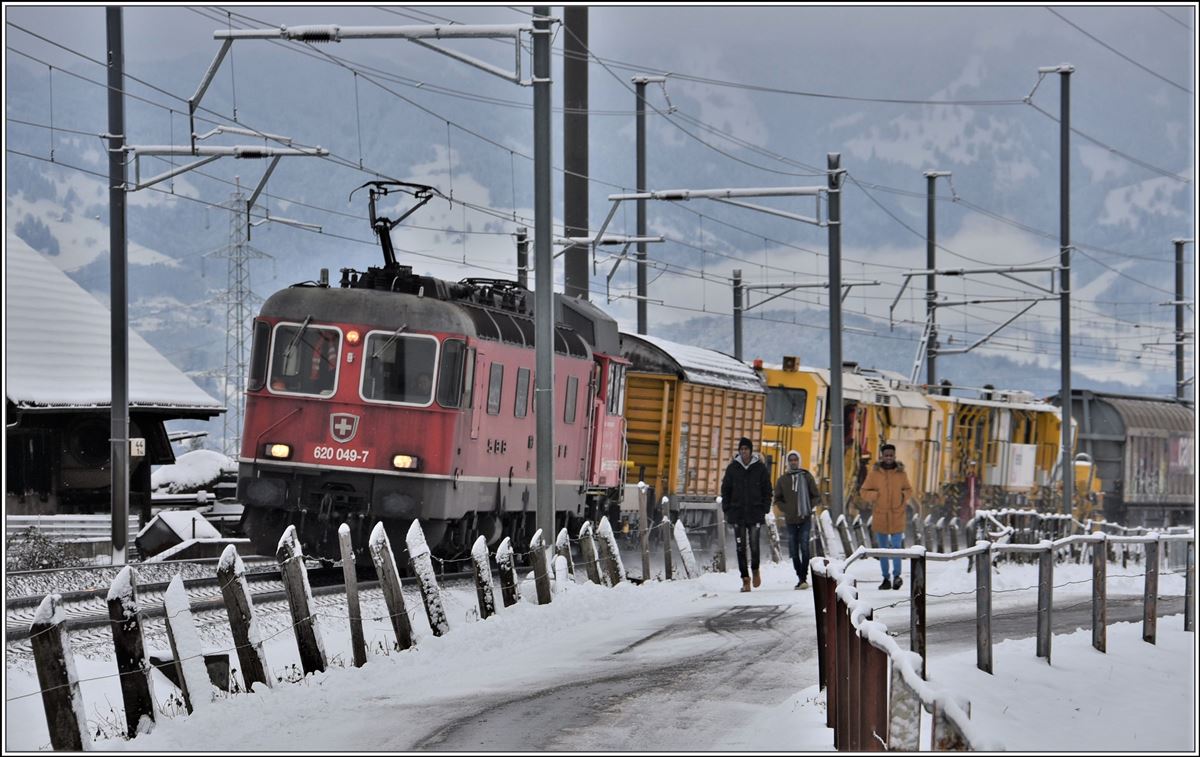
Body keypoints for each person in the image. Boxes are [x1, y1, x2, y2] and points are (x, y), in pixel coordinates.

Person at [720, 436, 772, 592]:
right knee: (740, 547)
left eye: (746, 449)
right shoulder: (732, 469)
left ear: (751, 451)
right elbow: (726, 490)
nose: (744, 452)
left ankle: (755, 569)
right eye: (741, 449)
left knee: (754, 545)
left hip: (755, 512)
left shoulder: (760, 468)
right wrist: (727, 508)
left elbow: (767, 490)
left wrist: (765, 508)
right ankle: (745, 579)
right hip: (737, 513)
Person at [859, 442, 914, 591]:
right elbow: (863, 492)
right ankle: (885, 578)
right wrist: (875, 496)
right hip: (880, 516)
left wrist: (902, 496)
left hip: (897, 515)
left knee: (896, 548)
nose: (889, 458)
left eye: (891, 455)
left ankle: (897, 577)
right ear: (882, 456)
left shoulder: (901, 473)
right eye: (886, 455)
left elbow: (909, 490)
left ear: (894, 456)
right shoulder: (874, 474)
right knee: (883, 549)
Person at [773, 449, 821, 590]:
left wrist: (808, 506)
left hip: (805, 518)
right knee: (794, 550)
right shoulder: (783, 480)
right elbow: (777, 499)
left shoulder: (807, 477)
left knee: (805, 548)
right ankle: (799, 575)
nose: (793, 462)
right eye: (791, 460)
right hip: (790, 520)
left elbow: (816, 496)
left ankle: (803, 577)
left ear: (799, 461)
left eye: (795, 460)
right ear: (788, 462)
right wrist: (787, 508)